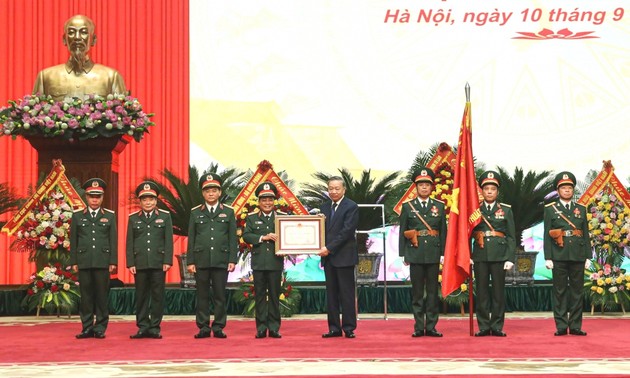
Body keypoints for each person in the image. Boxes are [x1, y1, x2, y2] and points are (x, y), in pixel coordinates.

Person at [187, 174, 238, 339]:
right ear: (203, 193)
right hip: (201, 260)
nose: (211, 193)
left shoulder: (228, 212)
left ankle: (218, 326)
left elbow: (232, 238)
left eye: (214, 190)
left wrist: (232, 259)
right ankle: (203, 326)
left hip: (221, 260)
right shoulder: (195, 213)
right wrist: (191, 261)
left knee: (219, 295)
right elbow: (192, 238)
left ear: (219, 192)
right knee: (201, 295)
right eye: (207, 190)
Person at [398, 167, 446, 337]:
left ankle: (431, 326)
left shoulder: (439, 206)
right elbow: (403, 230)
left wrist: (443, 253)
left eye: (427, 184)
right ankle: (419, 327)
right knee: (417, 293)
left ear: (432, 187)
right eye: (421, 185)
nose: (424, 187)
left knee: (433, 292)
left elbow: (443, 230)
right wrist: (403, 253)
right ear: (416, 187)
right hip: (415, 253)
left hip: (433, 253)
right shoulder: (408, 207)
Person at [32, 14, 127, 101]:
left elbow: (124, 116)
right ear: (64, 39)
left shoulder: (111, 77)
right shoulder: (46, 77)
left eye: (84, 32)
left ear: (93, 40)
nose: (77, 37)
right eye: (71, 32)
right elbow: (33, 115)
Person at [544, 171, 591, 336]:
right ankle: (561, 326)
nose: (567, 190)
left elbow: (585, 233)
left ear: (573, 189)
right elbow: (546, 234)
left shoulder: (581, 209)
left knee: (577, 291)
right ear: (558, 190)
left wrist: (588, 256)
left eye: (569, 187)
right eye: (563, 187)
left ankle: (576, 326)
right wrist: (548, 257)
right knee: (560, 291)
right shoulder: (550, 209)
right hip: (559, 254)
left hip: (578, 254)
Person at [69, 178, 117, 339]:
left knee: (102, 296)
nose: (94, 199)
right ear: (86, 197)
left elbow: (113, 240)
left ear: (102, 197)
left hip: (102, 261)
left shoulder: (109, 216)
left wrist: (113, 261)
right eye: (91, 196)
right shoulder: (77, 216)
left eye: (98, 196)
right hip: (84, 261)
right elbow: (74, 240)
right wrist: (74, 261)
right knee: (86, 296)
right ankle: (87, 327)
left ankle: (100, 327)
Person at [126, 181, 173, 339]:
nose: (148, 202)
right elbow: (129, 242)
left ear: (156, 200)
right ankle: (142, 326)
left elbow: (168, 241)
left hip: (158, 262)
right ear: (140, 202)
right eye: (145, 200)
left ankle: (154, 327)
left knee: (158, 295)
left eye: (151, 199)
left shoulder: (165, 217)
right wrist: (130, 262)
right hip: (139, 263)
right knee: (141, 296)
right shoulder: (133, 218)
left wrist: (167, 260)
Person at [471, 171, 516, 337]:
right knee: (481, 292)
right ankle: (483, 326)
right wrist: (468, 255)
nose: (489, 191)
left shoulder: (505, 210)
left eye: (492, 189)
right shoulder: (475, 211)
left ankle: (497, 326)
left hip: (500, 256)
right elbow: (467, 234)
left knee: (498, 293)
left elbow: (511, 236)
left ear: (497, 192)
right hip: (480, 255)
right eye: (486, 188)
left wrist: (510, 258)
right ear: (481, 191)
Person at [242, 182, 285, 339]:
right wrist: (263, 237)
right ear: (259, 202)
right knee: (260, 295)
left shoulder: (282, 218)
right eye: (264, 200)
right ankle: (261, 328)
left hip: (275, 262)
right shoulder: (252, 218)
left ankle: (274, 328)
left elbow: (291, 235)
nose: (267, 203)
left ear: (274, 201)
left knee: (274, 296)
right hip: (259, 263)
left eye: (270, 200)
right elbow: (246, 235)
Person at [318, 176, 359, 339]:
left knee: (346, 294)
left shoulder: (351, 206)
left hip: (344, 257)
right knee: (331, 294)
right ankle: (334, 328)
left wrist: (328, 248)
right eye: (331, 188)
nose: (333, 191)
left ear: (344, 190)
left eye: (337, 188)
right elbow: (319, 230)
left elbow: (346, 232)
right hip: (328, 258)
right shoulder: (324, 207)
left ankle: (348, 327)